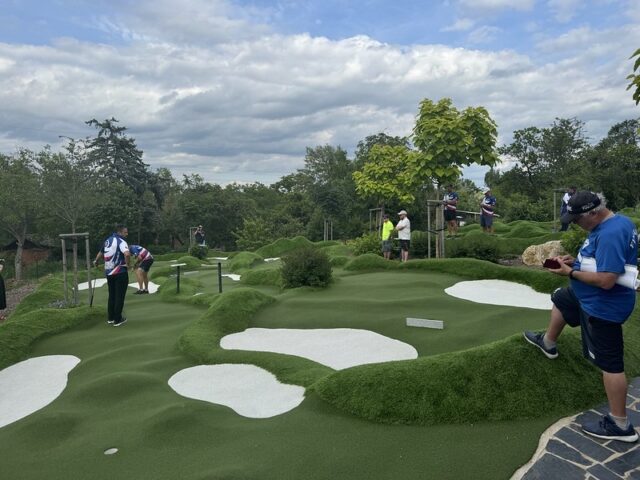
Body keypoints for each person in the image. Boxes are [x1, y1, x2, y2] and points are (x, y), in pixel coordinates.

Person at [524, 191, 639, 443]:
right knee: (561, 298)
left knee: (611, 364)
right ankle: (548, 343)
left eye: (577, 220)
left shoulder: (609, 234)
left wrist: (570, 273)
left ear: (593, 212)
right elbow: (603, 261)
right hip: (585, 296)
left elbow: (607, 280)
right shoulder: (617, 222)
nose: (575, 224)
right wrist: (575, 262)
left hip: (603, 307)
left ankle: (620, 425)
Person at [94, 224, 131, 327]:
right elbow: (127, 254)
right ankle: (118, 320)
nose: (127, 234)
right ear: (120, 232)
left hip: (109, 273)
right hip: (120, 272)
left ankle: (110, 318)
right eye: (125, 232)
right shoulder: (121, 241)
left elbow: (101, 252)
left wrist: (96, 261)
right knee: (119, 296)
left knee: (112, 295)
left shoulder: (108, 240)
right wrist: (128, 264)